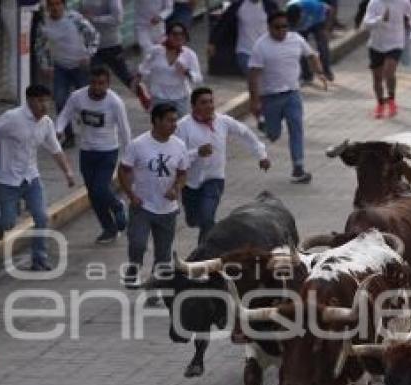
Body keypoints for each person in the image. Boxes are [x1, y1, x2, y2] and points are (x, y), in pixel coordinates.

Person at [0, 84, 76, 271]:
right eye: (40, 101)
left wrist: (68, 172)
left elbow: (55, 149)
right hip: (7, 180)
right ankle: (0, 219)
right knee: (8, 223)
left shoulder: (46, 123)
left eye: (46, 101)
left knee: (42, 217)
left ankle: (39, 258)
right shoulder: (12, 118)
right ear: (29, 101)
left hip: (31, 178)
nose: (44, 105)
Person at [176, 87, 270, 243]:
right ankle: (205, 225)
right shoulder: (182, 126)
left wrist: (262, 155)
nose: (209, 106)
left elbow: (245, 133)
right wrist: (197, 153)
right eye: (203, 103)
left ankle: (204, 251)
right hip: (190, 183)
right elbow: (177, 157)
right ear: (193, 106)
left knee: (207, 218)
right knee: (193, 221)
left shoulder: (223, 121)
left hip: (214, 179)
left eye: (211, 102)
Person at [248, 11, 326, 184]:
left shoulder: (296, 39)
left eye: (285, 26)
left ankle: (298, 168)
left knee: (296, 128)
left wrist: (319, 72)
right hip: (270, 97)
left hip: (292, 94)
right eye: (277, 27)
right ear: (269, 27)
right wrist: (254, 100)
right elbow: (253, 75)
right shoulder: (261, 46)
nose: (282, 30)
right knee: (274, 134)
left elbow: (312, 55)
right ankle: (265, 127)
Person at [56, 66, 131, 244]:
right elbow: (64, 114)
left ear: (108, 84)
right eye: (94, 83)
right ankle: (109, 228)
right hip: (86, 152)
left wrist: (129, 157)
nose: (97, 87)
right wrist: (58, 130)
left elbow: (124, 130)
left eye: (101, 84)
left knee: (100, 189)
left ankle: (117, 205)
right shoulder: (77, 97)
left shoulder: (115, 102)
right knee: (93, 195)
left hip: (108, 151)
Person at [118, 103, 188, 291]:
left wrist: (176, 188)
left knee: (163, 254)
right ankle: (134, 268)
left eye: (175, 120)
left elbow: (182, 173)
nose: (174, 125)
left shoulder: (179, 145)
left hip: (167, 209)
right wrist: (131, 194)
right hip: (142, 205)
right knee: (138, 243)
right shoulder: (138, 144)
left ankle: (155, 290)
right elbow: (123, 170)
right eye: (170, 121)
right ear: (156, 120)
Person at [35, 0, 99, 149]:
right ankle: (68, 135)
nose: (55, 8)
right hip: (60, 67)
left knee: (87, 100)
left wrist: (88, 54)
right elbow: (40, 46)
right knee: (60, 100)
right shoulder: (44, 23)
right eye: (51, 5)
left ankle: (93, 132)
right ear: (47, 7)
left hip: (80, 66)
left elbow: (94, 35)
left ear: (64, 5)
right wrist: (45, 65)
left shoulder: (75, 19)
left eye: (58, 4)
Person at [77, 0, 152, 109]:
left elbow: (118, 18)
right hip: (92, 46)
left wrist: (94, 19)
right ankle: (95, 106)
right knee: (93, 78)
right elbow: (80, 18)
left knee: (124, 75)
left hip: (111, 44)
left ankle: (140, 91)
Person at [361, 0, 411, 119]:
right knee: (377, 77)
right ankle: (380, 104)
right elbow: (366, 24)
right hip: (376, 45)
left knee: (389, 72)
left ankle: (391, 100)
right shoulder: (374, 3)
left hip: (395, 43)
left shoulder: (402, 2)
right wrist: (380, 19)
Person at [136, 22, 203, 115]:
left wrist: (187, 72)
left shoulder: (189, 54)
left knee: (181, 123)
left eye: (181, 34)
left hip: (181, 98)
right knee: (161, 123)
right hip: (159, 97)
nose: (178, 37)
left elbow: (198, 78)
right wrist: (141, 86)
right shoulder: (155, 51)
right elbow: (143, 69)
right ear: (167, 35)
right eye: (174, 34)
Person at [208, 0, 279, 73]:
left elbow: (279, 26)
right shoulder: (238, 6)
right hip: (245, 52)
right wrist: (212, 42)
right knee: (254, 72)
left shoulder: (270, 6)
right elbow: (223, 23)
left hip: (266, 51)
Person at [286, 0, 335, 82]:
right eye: (295, 22)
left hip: (317, 22)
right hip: (303, 27)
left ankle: (326, 71)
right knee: (300, 48)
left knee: (322, 45)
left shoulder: (312, 5)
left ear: (302, 13)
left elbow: (330, 10)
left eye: (298, 20)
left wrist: (327, 28)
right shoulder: (288, 10)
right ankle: (306, 75)